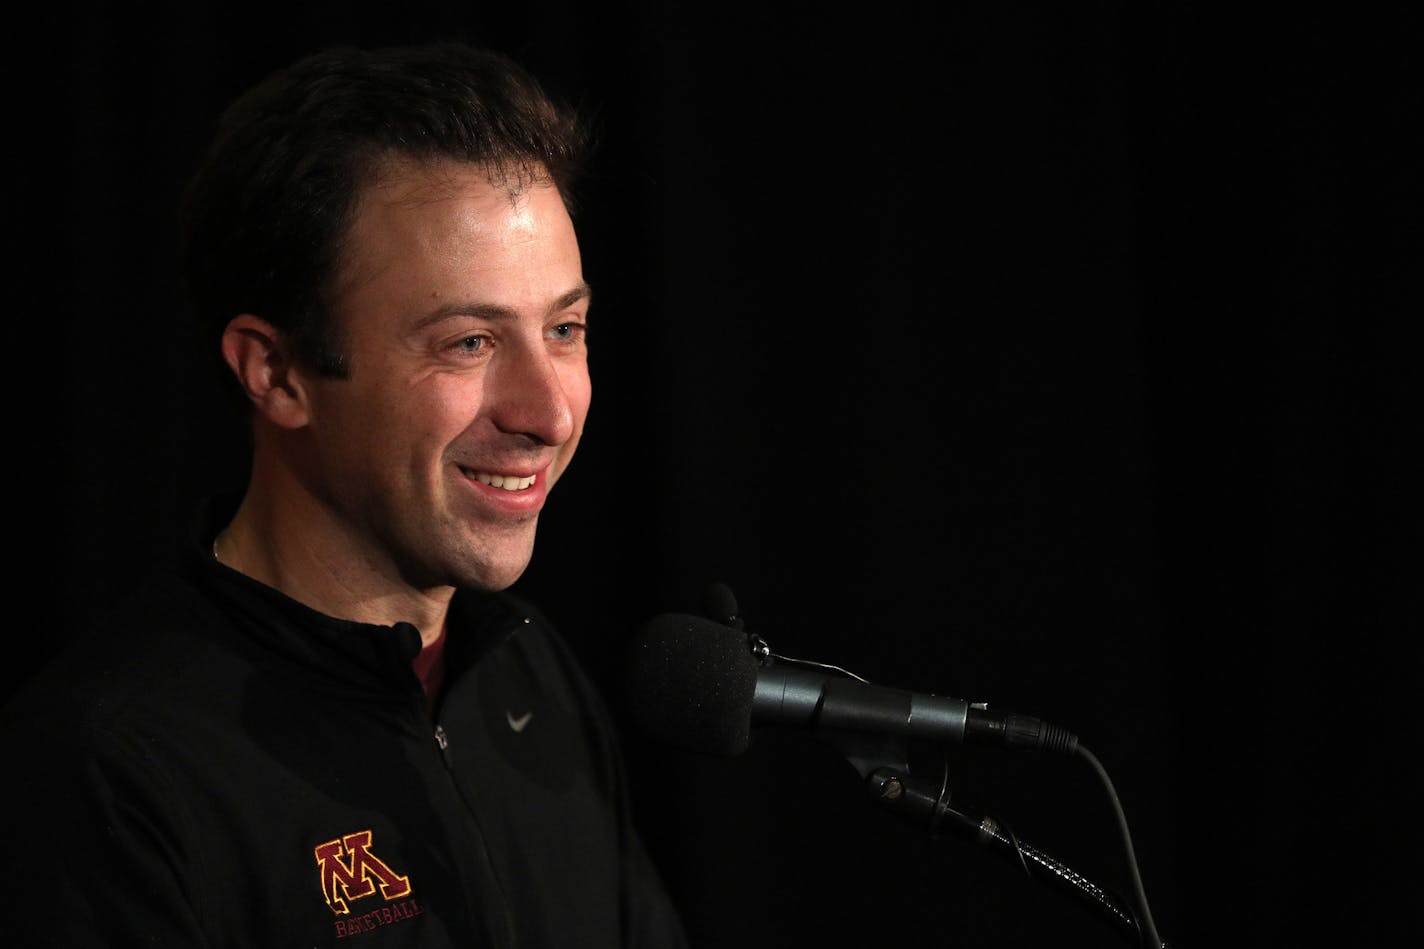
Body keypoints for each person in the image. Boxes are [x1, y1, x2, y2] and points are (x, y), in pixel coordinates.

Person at [0, 41, 690, 948]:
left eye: (564, 328)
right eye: (470, 342)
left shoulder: (531, 678)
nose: (551, 413)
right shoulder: (110, 767)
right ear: (277, 374)